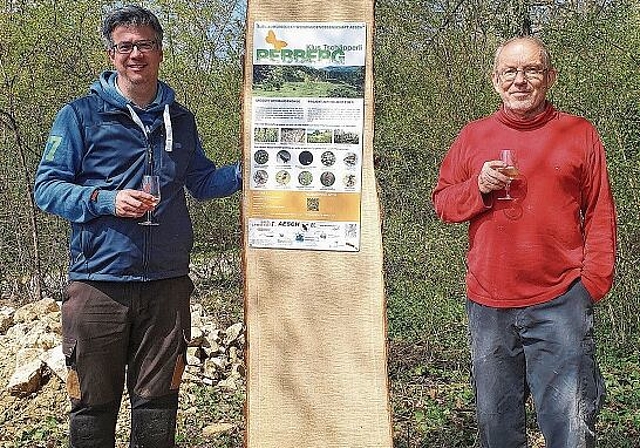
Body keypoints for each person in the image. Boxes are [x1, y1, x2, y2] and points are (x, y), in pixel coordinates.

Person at [34, 5, 241, 447]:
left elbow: (202, 182)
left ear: (160, 52)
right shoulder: (81, 116)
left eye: (144, 44)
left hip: (166, 285)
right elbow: (47, 188)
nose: (135, 54)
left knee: (157, 411)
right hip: (98, 284)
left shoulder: (180, 120)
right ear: (112, 55)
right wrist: (106, 200)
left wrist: (255, 167)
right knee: (92, 410)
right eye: (125, 46)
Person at [432, 36, 616, 448]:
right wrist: (476, 188)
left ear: (548, 77)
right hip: (488, 304)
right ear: (496, 81)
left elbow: (601, 214)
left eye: (531, 70)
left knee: (569, 428)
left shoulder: (578, 133)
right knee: (497, 429)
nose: (520, 80)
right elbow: (443, 202)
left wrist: (591, 286)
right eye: (510, 72)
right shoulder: (472, 136)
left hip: (560, 302)